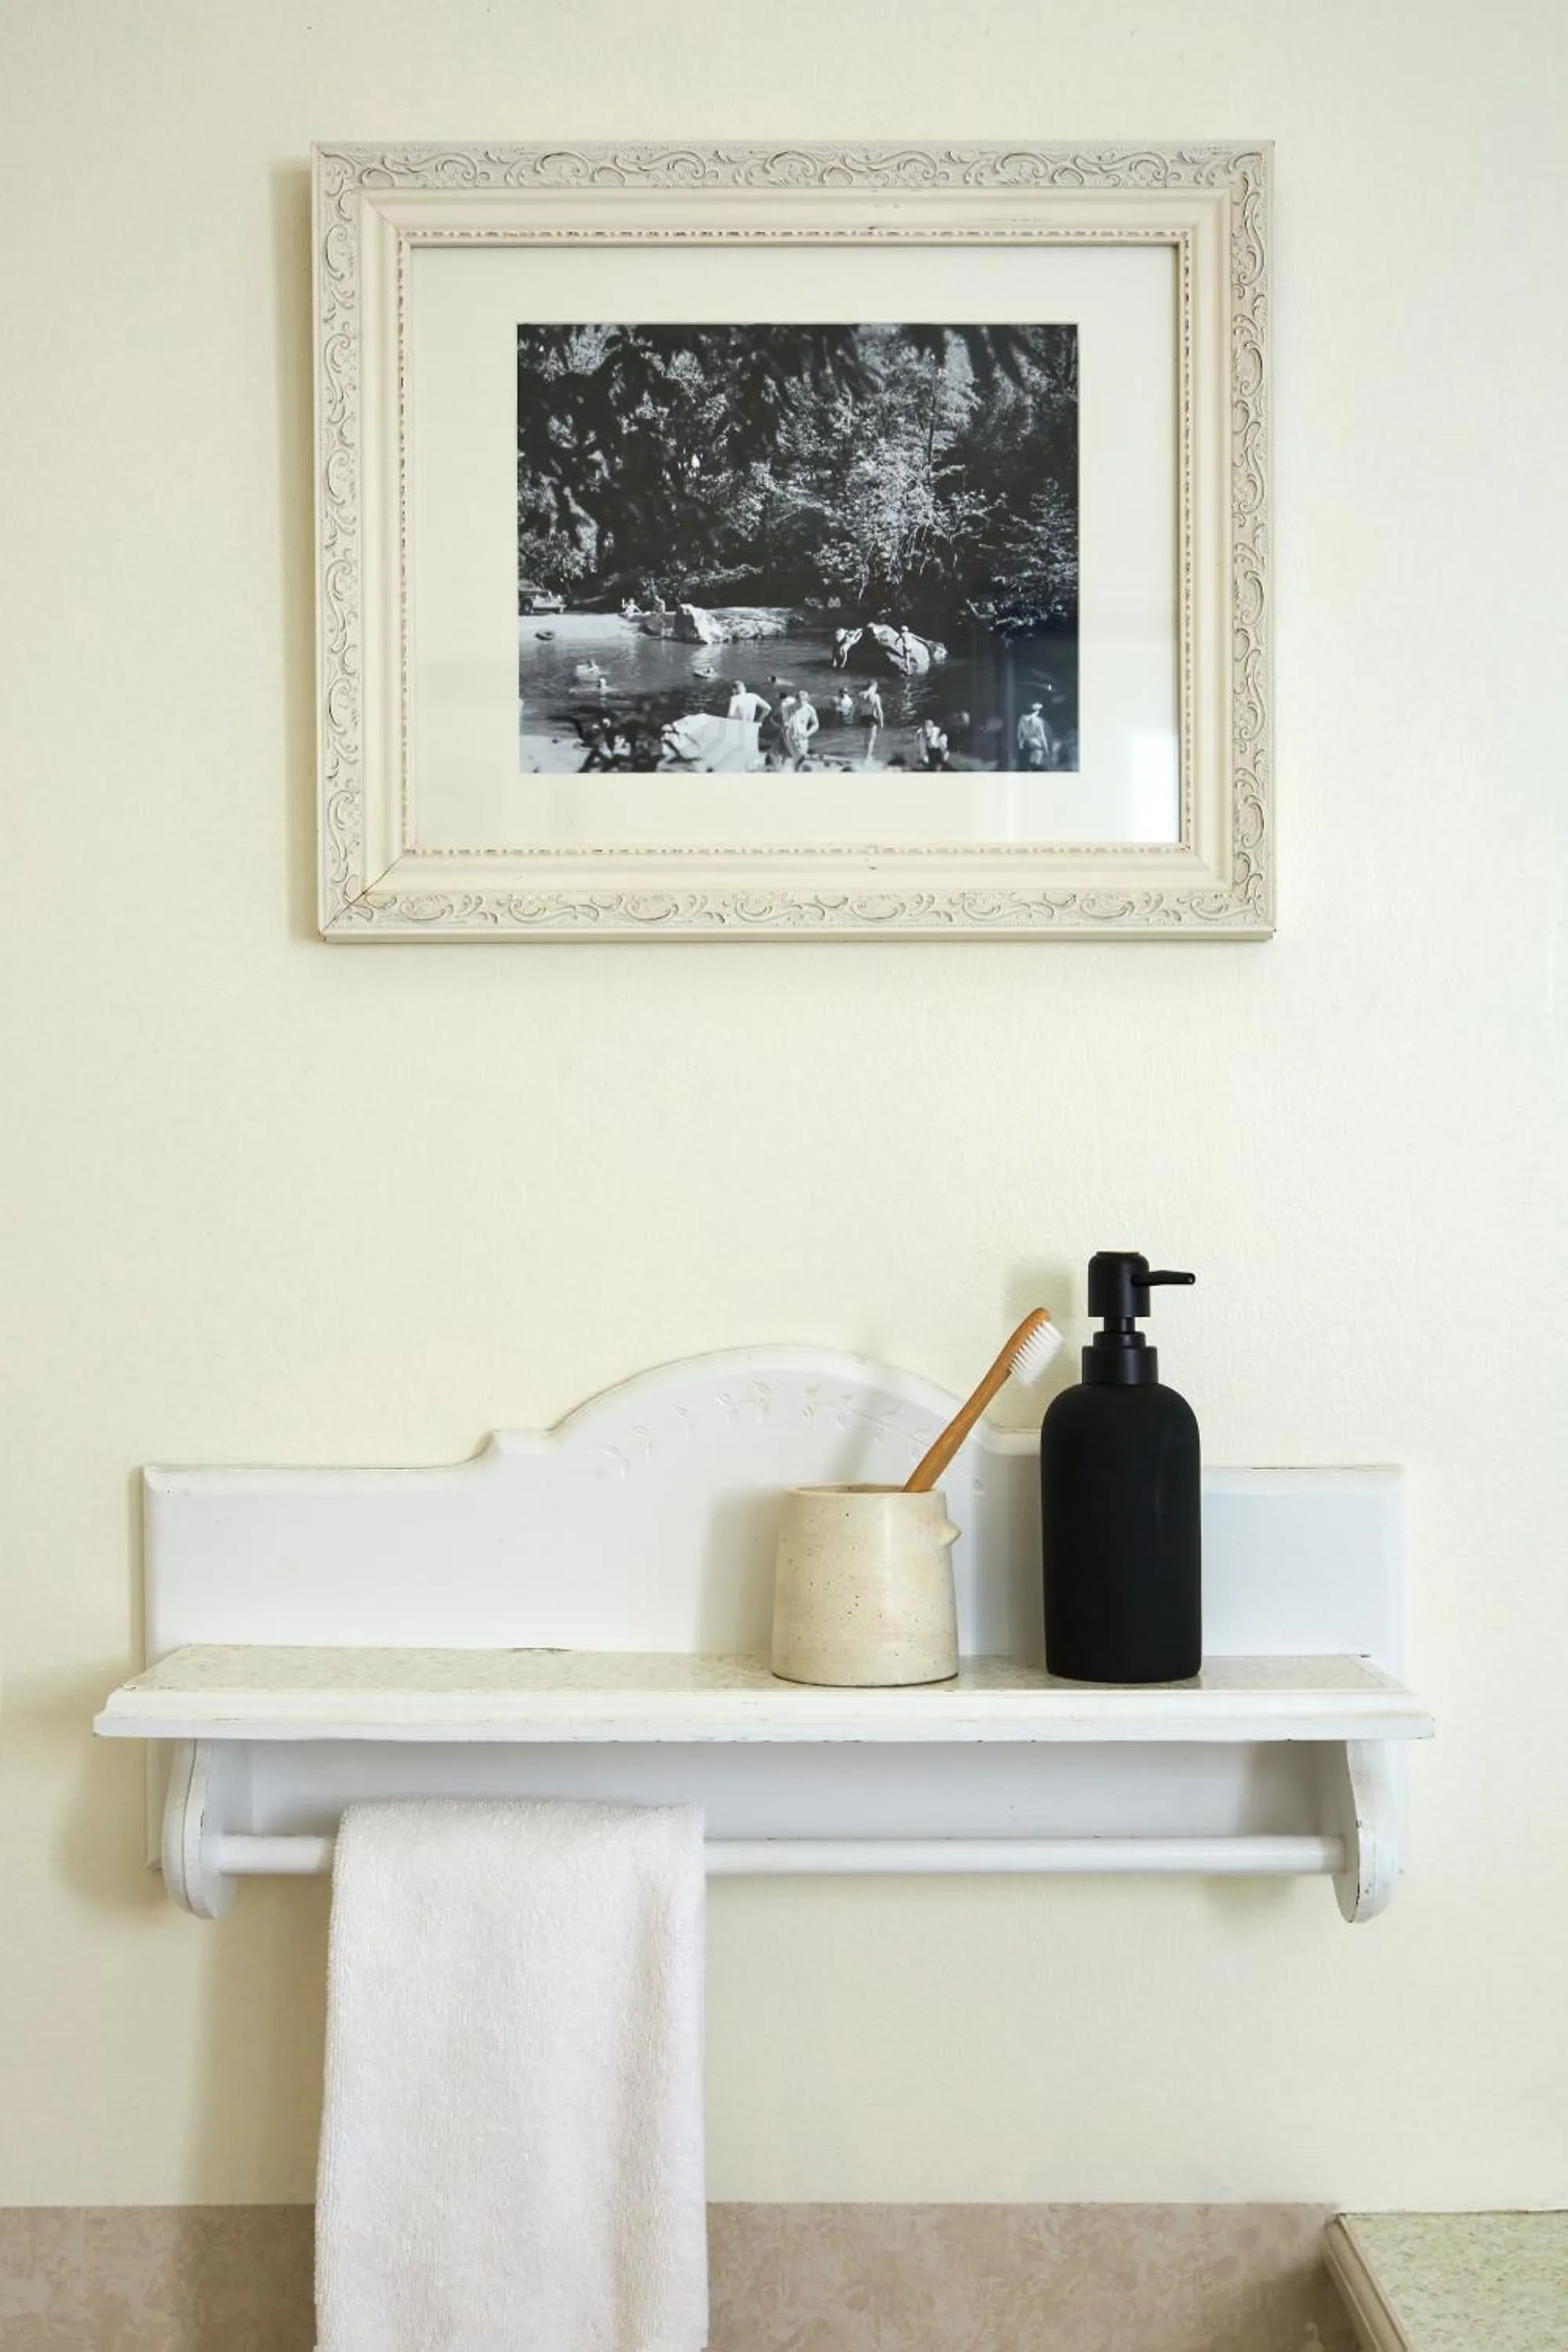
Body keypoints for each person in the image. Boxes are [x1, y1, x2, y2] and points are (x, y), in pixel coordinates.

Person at [782, 691, 819, 769]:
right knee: (799, 758)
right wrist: (786, 724)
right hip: (790, 736)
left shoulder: (810, 709)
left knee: (800, 759)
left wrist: (808, 733)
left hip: (803, 737)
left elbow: (816, 724)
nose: (800, 702)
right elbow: (785, 719)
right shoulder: (789, 707)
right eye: (798, 700)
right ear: (796, 699)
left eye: (803, 700)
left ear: (807, 700)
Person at [1017, 702, 1051, 768]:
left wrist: (1020, 743)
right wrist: (1046, 749)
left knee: (1026, 764)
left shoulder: (1022, 719)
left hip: (1025, 743)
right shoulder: (1038, 721)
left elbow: (1019, 733)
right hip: (1034, 744)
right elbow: (1041, 737)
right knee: (1035, 764)